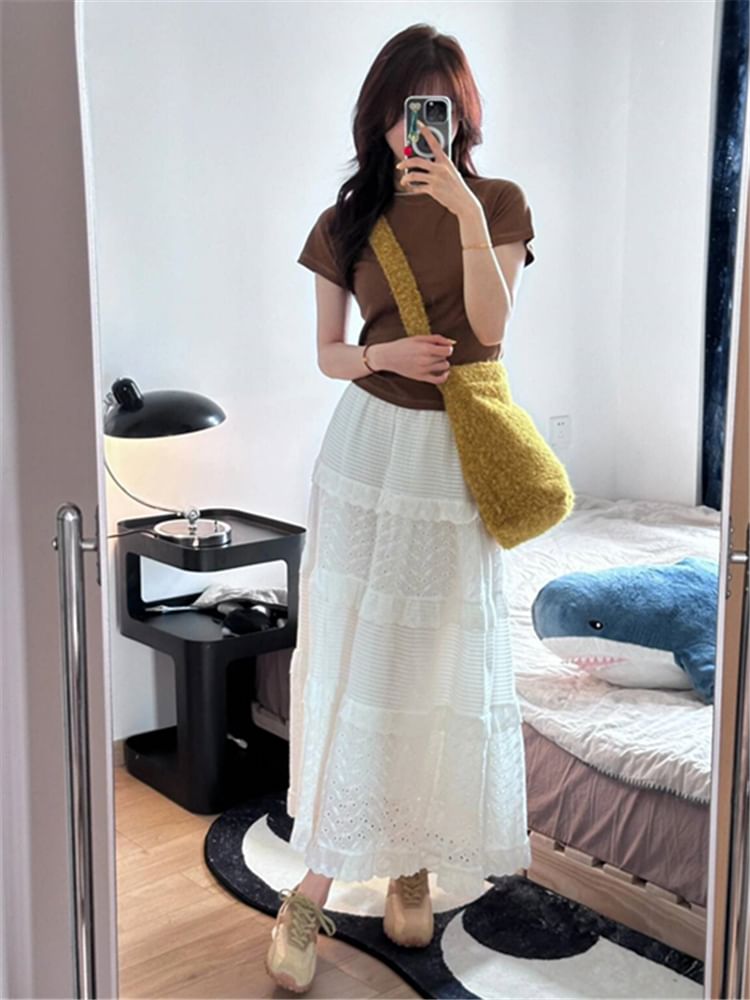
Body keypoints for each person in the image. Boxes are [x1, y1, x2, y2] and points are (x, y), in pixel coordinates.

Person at [265, 23, 536, 994]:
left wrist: (459, 204)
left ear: (461, 116)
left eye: (435, 110)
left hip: (454, 458)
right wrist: (383, 354)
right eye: (400, 110)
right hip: (370, 451)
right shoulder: (345, 221)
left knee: (434, 658)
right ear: (377, 115)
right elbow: (329, 354)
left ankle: (411, 861)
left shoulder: (498, 203)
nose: (413, 129)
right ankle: (311, 889)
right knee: (359, 659)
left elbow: (492, 329)